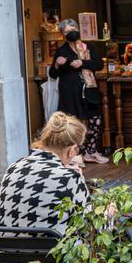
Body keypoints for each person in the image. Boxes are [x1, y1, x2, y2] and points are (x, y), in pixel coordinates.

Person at [0, 112, 90, 234]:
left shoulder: (13, 167)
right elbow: (87, 226)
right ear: (72, 150)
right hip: (49, 252)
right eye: (79, 149)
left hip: (4, 251)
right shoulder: (69, 178)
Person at [48, 19, 107, 165]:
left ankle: (91, 151)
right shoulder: (62, 51)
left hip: (89, 90)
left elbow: (99, 64)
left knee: (95, 120)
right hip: (70, 93)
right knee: (73, 124)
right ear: (62, 34)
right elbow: (53, 75)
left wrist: (83, 63)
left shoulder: (88, 47)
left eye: (73, 29)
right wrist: (56, 64)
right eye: (67, 31)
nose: (71, 33)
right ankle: (75, 155)